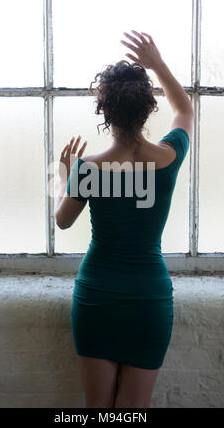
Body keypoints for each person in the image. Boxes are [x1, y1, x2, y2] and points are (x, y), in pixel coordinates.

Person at [55, 30, 194, 408]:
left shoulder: (87, 169)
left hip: (97, 296)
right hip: (148, 298)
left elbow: (63, 221)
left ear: (105, 111)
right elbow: (184, 111)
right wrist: (158, 64)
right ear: (148, 108)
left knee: (97, 410)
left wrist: (69, 177)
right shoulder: (168, 157)